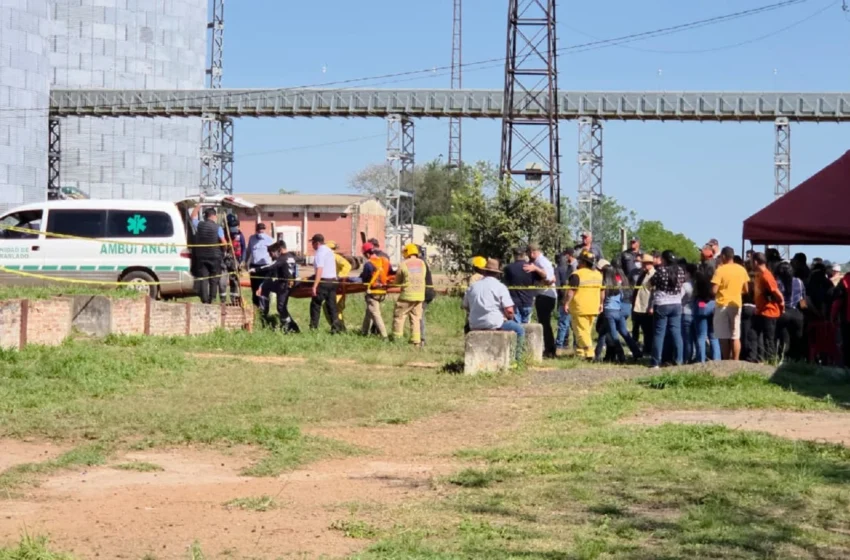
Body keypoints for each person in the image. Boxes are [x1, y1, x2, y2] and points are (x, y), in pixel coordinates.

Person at [463, 258, 525, 362]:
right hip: (495, 323)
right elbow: (509, 310)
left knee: (466, 328)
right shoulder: (500, 287)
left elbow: (465, 305)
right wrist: (509, 317)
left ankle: (468, 356)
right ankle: (517, 360)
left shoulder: (473, 287)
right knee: (520, 330)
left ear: (484, 271)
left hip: (474, 324)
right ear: (497, 274)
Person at [594, 261, 641, 363]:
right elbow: (623, 296)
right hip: (619, 310)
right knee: (604, 332)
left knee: (614, 335)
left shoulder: (605, 283)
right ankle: (636, 352)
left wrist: (601, 304)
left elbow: (602, 296)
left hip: (609, 312)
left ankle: (621, 356)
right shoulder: (619, 283)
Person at [563, 250, 603, 360]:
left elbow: (571, 291)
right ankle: (581, 353)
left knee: (580, 331)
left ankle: (590, 353)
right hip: (593, 307)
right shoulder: (598, 275)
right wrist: (601, 303)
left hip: (580, 307)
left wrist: (566, 303)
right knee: (585, 331)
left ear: (584, 262)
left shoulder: (577, 274)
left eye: (580, 260)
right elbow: (602, 291)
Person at [711, 246, 750, 360]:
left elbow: (714, 290)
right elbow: (746, 289)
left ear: (723, 256)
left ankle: (726, 361)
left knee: (723, 336)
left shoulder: (720, 270)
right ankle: (736, 361)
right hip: (736, 303)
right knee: (735, 335)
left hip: (722, 304)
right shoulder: (741, 269)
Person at [649, 250, 685, 368]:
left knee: (659, 333)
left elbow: (651, 283)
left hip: (662, 303)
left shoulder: (661, 270)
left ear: (664, 259)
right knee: (676, 333)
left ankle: (655, 362)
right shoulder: (680, 270)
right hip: (676, 303)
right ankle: (679, 360)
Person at [253, 241, 300, 333]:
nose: (270, 256)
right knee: (266, 287)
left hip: (284, 285)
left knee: (281, 307)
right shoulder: (291, 256)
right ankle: (264, 311)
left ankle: (291, 327)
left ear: (279, 250)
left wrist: (256, 269)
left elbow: (270, 267)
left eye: (271, 253)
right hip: (287, 283)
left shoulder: (282, 258)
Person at [525, 243, 558, 358]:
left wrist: (535, 269)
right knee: (544, 322)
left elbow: (549, 278)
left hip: (546, 296)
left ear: (532, 252)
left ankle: (550, 349)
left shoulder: (541, 262)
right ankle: (549, 348)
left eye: (528, 253)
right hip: (543, 295)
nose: (528, 256)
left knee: (545, 323)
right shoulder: (539, 261)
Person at [309, 233, 345, 333]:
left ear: (317, 243)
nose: (312, 245)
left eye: (312, 243)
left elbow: (320, 269)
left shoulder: (320, 253)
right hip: (333, 281)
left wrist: (315, 285)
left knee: (316, 304)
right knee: (331, 305)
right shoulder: (329, 251)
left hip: (323, 282)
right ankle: (336, 328)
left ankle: (313, 327)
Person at [752, 252, 784, 363]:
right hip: (761, 311)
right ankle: (761, 359)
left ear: (756, 262)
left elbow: (776, 292)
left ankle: (771, 361)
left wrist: (782, 303)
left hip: (769, 312)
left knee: (769, 339)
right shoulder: (759, 275)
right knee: (758, 336)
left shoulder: (766, 276)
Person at [190, 206, 226, 304]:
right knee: (214, 279)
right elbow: (223, 242)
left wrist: (198, 205)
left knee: (203, 278)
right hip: (215, 256)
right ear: (214, 216)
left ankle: (204, 300)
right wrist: (224, 251)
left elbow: (192, 216)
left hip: (201, 256)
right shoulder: (218, 228)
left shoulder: (199, 225)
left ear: (206, 216)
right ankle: (212, 298)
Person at [392, 243, 427, 345]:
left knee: (399, 316)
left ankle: (397, 340)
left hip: (407, 295)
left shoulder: (404, 264)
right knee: (416, 318)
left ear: (406, 252)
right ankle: (416, 341)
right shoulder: (422, 263)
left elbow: (397, 281)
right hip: (420, 295)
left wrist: (394, 283)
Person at [690, 262, 720, 363]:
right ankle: (717, 359)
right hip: (713, 304)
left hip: (701, 305)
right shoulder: (714, 277)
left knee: (701, 335)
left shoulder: (698, 278)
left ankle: (701, 360)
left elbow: (694, 293)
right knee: (713, 336)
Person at [776, 260, 806, 361]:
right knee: (798, 341)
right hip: (797, 314)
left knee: (784, 340)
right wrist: (803, 312)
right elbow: (803, 300)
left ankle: (783, 360)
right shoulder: (799, 281)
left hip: (783, 313)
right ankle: (797, 362)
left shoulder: (778, 283)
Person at [358, 242, 389, 339]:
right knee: (369, 312)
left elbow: (365, 278)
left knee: (375, 314)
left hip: (373, 292)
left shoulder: (368, 264)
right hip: (382, 291)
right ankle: (364, 331)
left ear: (367, 254)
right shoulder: (382, 261)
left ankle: (384, 336)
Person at [502, 246, 536, 324]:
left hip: (514, 302)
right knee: (526, 326)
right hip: (528, 300)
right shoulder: (531, 267)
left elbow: (504, 283)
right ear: (524, 255)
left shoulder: (508, 268)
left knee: (517, 327)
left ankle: (520, 336)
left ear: (514, 255)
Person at [323, 241, 352, 326]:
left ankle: (339, 327)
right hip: (333, 286)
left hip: (338, 287)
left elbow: (347, 266)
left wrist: (339, 277)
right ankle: (336, 326)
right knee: (329, 307)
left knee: (335, 307)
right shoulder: (329, 258)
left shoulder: (335, 257)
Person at [632, 253, 656, 355]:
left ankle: (648, 350)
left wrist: (651, 306)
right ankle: (637, 349)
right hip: (638, 305)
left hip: (646, 306)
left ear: (650, 264)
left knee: (648, 331)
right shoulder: (642, 274)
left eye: (644, 264)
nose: (643, 266)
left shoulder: (654, 275)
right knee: (636, 328)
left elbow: (654, 292)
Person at [245, 223, 274, 308]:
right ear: (256, 230)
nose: (260, 231)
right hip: (254, 266)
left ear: (264, 230)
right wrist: (246, 262)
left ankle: (264, 310)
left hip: (265, 267)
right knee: (254, 288)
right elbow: (248, 252)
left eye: (262, 230)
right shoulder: (252, 238)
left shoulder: (269, 240)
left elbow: (274, 254)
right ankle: (255, 308)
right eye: (259, 230)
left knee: (264, 289)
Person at [220, 213, 246, 305]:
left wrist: (242, 260)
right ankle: (222, 301)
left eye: (235, 225)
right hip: (224, 260)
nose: (234, 228)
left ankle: (234, 300)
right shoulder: (222, 233)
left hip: (235, 260)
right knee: (222, 282)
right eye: (232, 226)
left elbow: (244, 248)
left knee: (234, 281)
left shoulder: (240, 234)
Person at [556, 247, 577, 349]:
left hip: (571, 299)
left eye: (565, 255)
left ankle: (560, 345)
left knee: (565, 323)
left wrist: (565, 301)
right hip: (568, 298)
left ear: (568, 255)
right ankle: (567, 345)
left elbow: (566, 286)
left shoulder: (575, 267)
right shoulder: (569, 267)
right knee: (568, 324)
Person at [830, 270, 850, 366]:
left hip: (847, 319)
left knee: (847, 345)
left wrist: (833, 317)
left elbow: (837, 302)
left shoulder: (846, 280)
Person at [419, 245, 436, 346]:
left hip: (424, 293)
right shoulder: (422, 261)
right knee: (419, 315)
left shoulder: (419, 263)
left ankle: (422, 339)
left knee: (419, 315)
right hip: (428, 291)